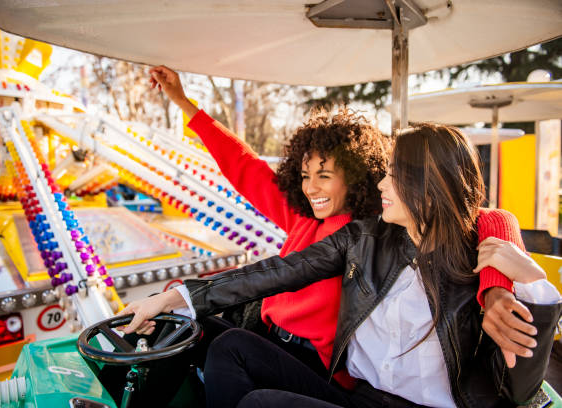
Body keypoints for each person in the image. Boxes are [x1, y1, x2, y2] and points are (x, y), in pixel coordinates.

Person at [120, 123, 561, 408]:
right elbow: (275, 271)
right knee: (230, 346)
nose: (382, 182)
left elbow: (520, 390)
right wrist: (179, 297)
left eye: (393, 174)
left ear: (428, 185)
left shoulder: (483, 264)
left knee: (263, 404)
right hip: (363, 397)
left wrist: (531, 288)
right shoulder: (366, 238)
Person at [147, 66, 539, 376]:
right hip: (268, 334)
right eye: (304, 175)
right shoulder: (300, 212)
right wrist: (184, 104)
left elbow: (491, 218)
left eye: (324, 174)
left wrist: (495, 289)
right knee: (176, 326)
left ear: (353, 175)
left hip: (314, 360)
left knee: (221, 349)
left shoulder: (373, 225)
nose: (311, 187)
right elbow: (245, 166)